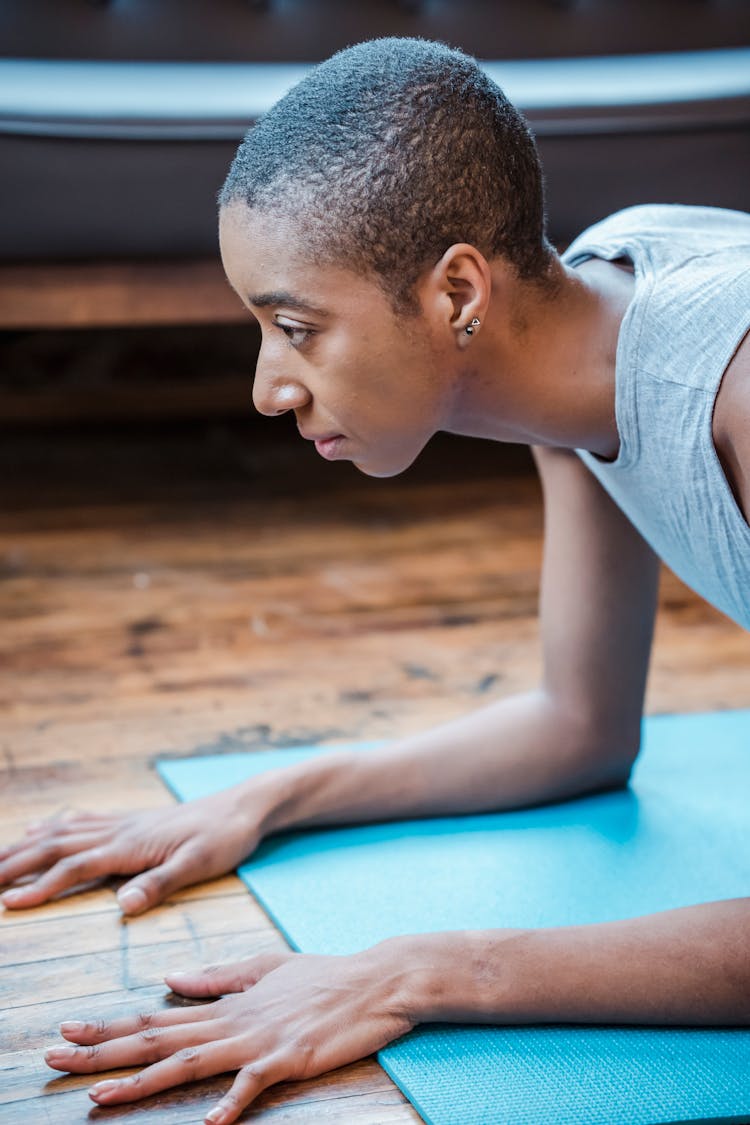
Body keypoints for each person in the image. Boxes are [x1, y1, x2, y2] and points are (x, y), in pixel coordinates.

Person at [1, 36, 749, 1125]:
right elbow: (582, 726)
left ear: (458, 292)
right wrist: (270, 795)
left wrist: (419, 970)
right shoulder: (587, 316)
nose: (267, 389)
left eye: (296, 328)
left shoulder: (732, 393)